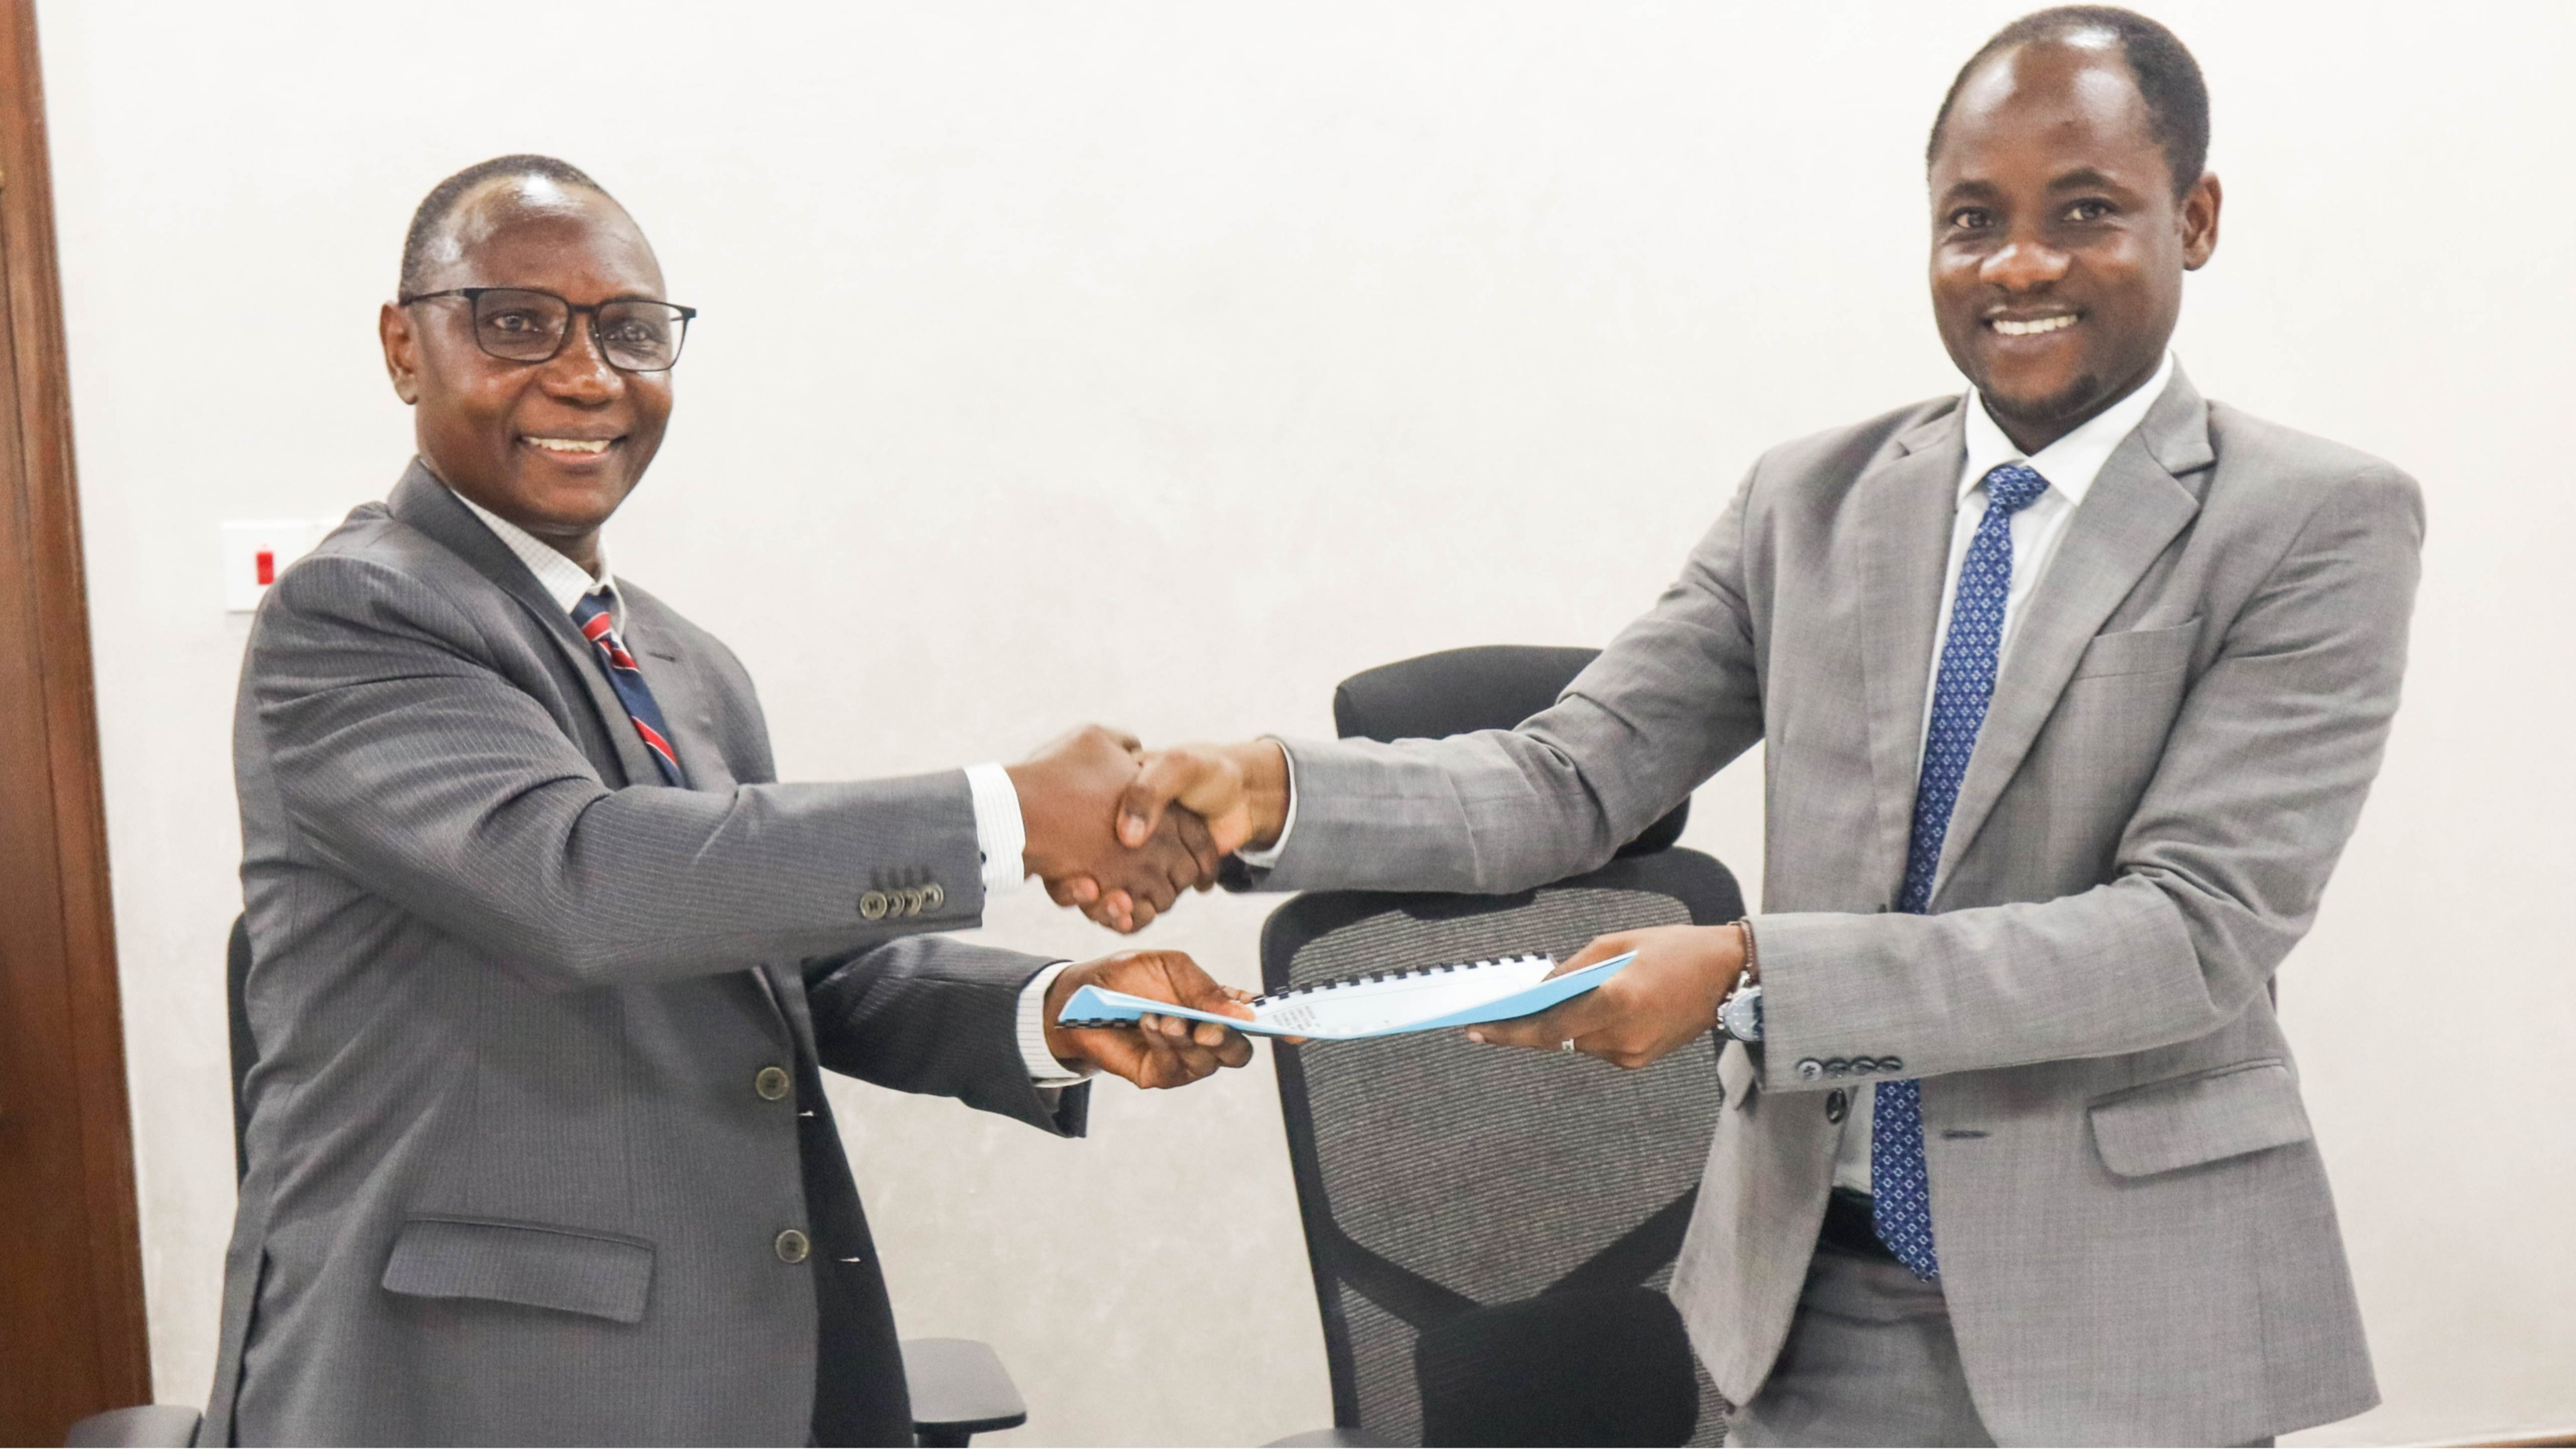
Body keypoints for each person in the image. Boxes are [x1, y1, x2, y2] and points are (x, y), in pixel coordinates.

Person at [1118, 9, 2420, 1444]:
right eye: (1971, 220)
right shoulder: (1807, 502)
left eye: (2084, 212)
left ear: (2196, 219)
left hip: (2127, 1308)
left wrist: (1751, 974)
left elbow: (2187, 936)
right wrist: (1264, 793)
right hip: (1812, 1294)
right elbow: (1568, 778)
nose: (2019, 265)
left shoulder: (2311, 520)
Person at [206, 154, 1247, 1446]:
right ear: (403, 347)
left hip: (737, 1362)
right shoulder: (359, 610)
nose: (587, 375)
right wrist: (1010, 814)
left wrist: (1057, 1010)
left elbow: (792, 968)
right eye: (518, 323)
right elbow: (581, 884)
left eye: (632, 332)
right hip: (470, 1391)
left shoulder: (685, 662)